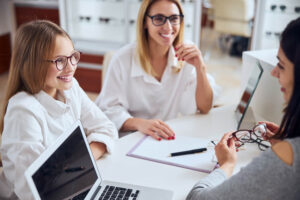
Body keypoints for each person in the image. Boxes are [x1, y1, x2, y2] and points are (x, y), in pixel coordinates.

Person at [0, 20, 118, 200]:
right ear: (34, 64)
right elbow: (34, 191)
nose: (71, 67)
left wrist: (82, 163)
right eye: (60, 61)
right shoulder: (22, 111)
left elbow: (106, 128)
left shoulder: (69, 88)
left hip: (72, 188)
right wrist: (75, 168)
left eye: (72, 56)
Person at [186, 17, 300, 200]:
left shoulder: (291, 157)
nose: (273, 72)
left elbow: (197, 198)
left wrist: (226, 165)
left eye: (281, 65)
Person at [96, 0, 219, 140]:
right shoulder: (121, 59)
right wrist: (140, 124)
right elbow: (107, 111)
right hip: (128, 138)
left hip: (162, 139)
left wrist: (200, 67)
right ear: (145, 23)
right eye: (159, 19)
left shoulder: (186, 55)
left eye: (174, 19)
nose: (168, 27)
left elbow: (204, 107)